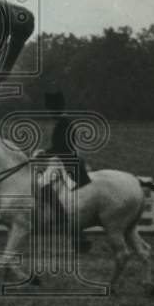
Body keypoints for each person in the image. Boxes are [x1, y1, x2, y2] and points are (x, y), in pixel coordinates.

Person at [38, 91, 93, 251]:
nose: (48, 113)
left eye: (49, 110)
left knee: (42, 184)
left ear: (54, 109)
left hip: (64, 162)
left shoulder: (64, 123)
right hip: (62, 160)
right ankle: (77, 233)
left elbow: (61, 147)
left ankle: (60, 215)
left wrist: (44, 153)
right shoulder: (64, 122)